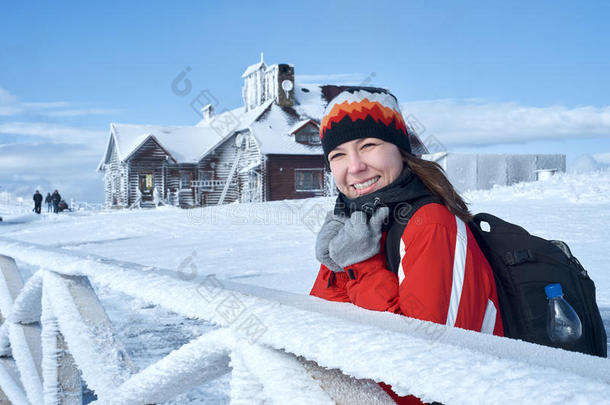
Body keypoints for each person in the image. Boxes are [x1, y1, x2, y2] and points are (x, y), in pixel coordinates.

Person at [310, 87, 503, 405]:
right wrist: (337, 267)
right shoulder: (359, 223)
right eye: (338, 155)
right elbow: (322, 327)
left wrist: (361, 265)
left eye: (368, 145)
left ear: (401, 150)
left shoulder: (431, 224)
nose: (355, 166)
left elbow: (428, 361)